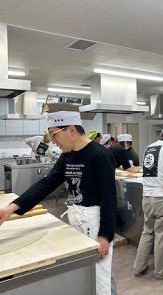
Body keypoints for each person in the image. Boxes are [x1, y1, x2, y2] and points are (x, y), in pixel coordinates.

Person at [0, 111, 118, 295]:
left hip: (96, 223)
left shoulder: (100, 155)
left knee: (100, 276)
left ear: (71, 130)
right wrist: (12, 208)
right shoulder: (67, 156)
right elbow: (46, 184)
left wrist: (105, 236)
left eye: (54, 134)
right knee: (84, 273)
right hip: (77, 220)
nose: (53, 141)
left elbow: (109, 198)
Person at [133, 123, 163, 279]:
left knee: (147, 232)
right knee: (161, 235)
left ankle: (138, 268)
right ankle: (161, 272)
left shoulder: (150, 147)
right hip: (162, 198)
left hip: (147, 197)